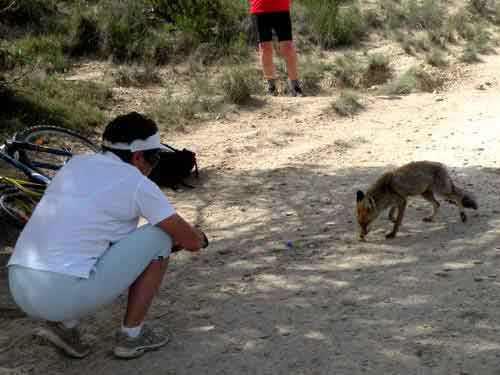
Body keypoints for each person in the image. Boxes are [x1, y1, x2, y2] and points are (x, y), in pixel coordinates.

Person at [7, 112, 208, 359]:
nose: (153, 164)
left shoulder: (75, 164)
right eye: (154, 157)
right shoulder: (137, 183)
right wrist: (198, 237)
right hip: (60, 295)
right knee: (159, 236)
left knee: (84, 241)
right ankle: (131, 337)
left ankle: (65, 327)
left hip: (20, 284)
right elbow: (189, 241)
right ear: (137, 157)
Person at [249, 0, 304, 97]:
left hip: (281, 6)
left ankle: (296, 87)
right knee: (265, 48)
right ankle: (271, 87)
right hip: (260, 7)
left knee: (287, 47)